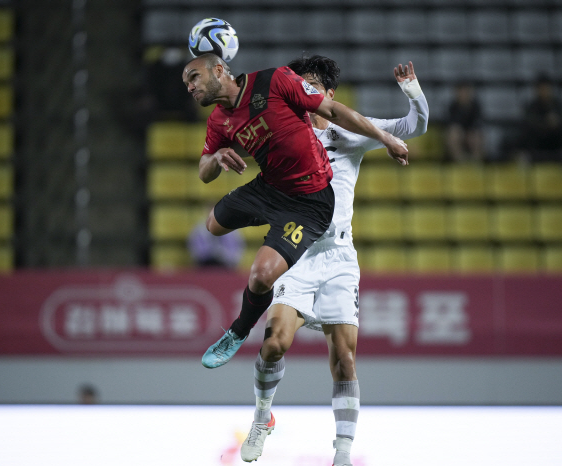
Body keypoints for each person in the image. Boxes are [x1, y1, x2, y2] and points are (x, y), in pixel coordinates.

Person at [222, 56, 428, 465]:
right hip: (295, 252)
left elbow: (415, 126)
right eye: (300, 85)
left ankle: (343, 453)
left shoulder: (351, 131)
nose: (305, 93)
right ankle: (263, 417)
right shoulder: (281, 133)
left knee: (345, 357)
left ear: (329, 95)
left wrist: (413, 92)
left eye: (313, 85)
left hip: (337, 256)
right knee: (275, 343)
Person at [183, 53, 409, 376]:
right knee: (212, 225)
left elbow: (331, 110)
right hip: (270, 188)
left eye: (194, 77)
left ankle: (238, 330)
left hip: (309, 202)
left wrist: (384, 137)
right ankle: (276, 223)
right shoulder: (218, 120)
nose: (190, 87)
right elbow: (204, 171)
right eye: (186, 83)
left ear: (219, 70)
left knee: (261, 276)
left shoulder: (274, 81)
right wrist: (217, 155)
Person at [505, 73, 562, 163]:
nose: (544, 91)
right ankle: (525, 157)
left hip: (554, 138)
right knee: (525, 134)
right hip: (537, 139)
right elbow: (530, 123)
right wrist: (546, 123)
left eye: (546, 88)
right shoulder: (531, 106)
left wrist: (556, 122)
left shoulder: (558, 105)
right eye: (541, 88)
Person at [445, 82, 484, 162]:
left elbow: (477, 123)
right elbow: (452, 124)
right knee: (454, 135)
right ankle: (460, 162)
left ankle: (476, 163)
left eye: (465, 92)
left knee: (476, 137)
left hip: (471, 132)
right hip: (459, 133)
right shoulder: (452, 106)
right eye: (461, 92)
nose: (463, 94)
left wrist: (469, 133)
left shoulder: (475, 106)